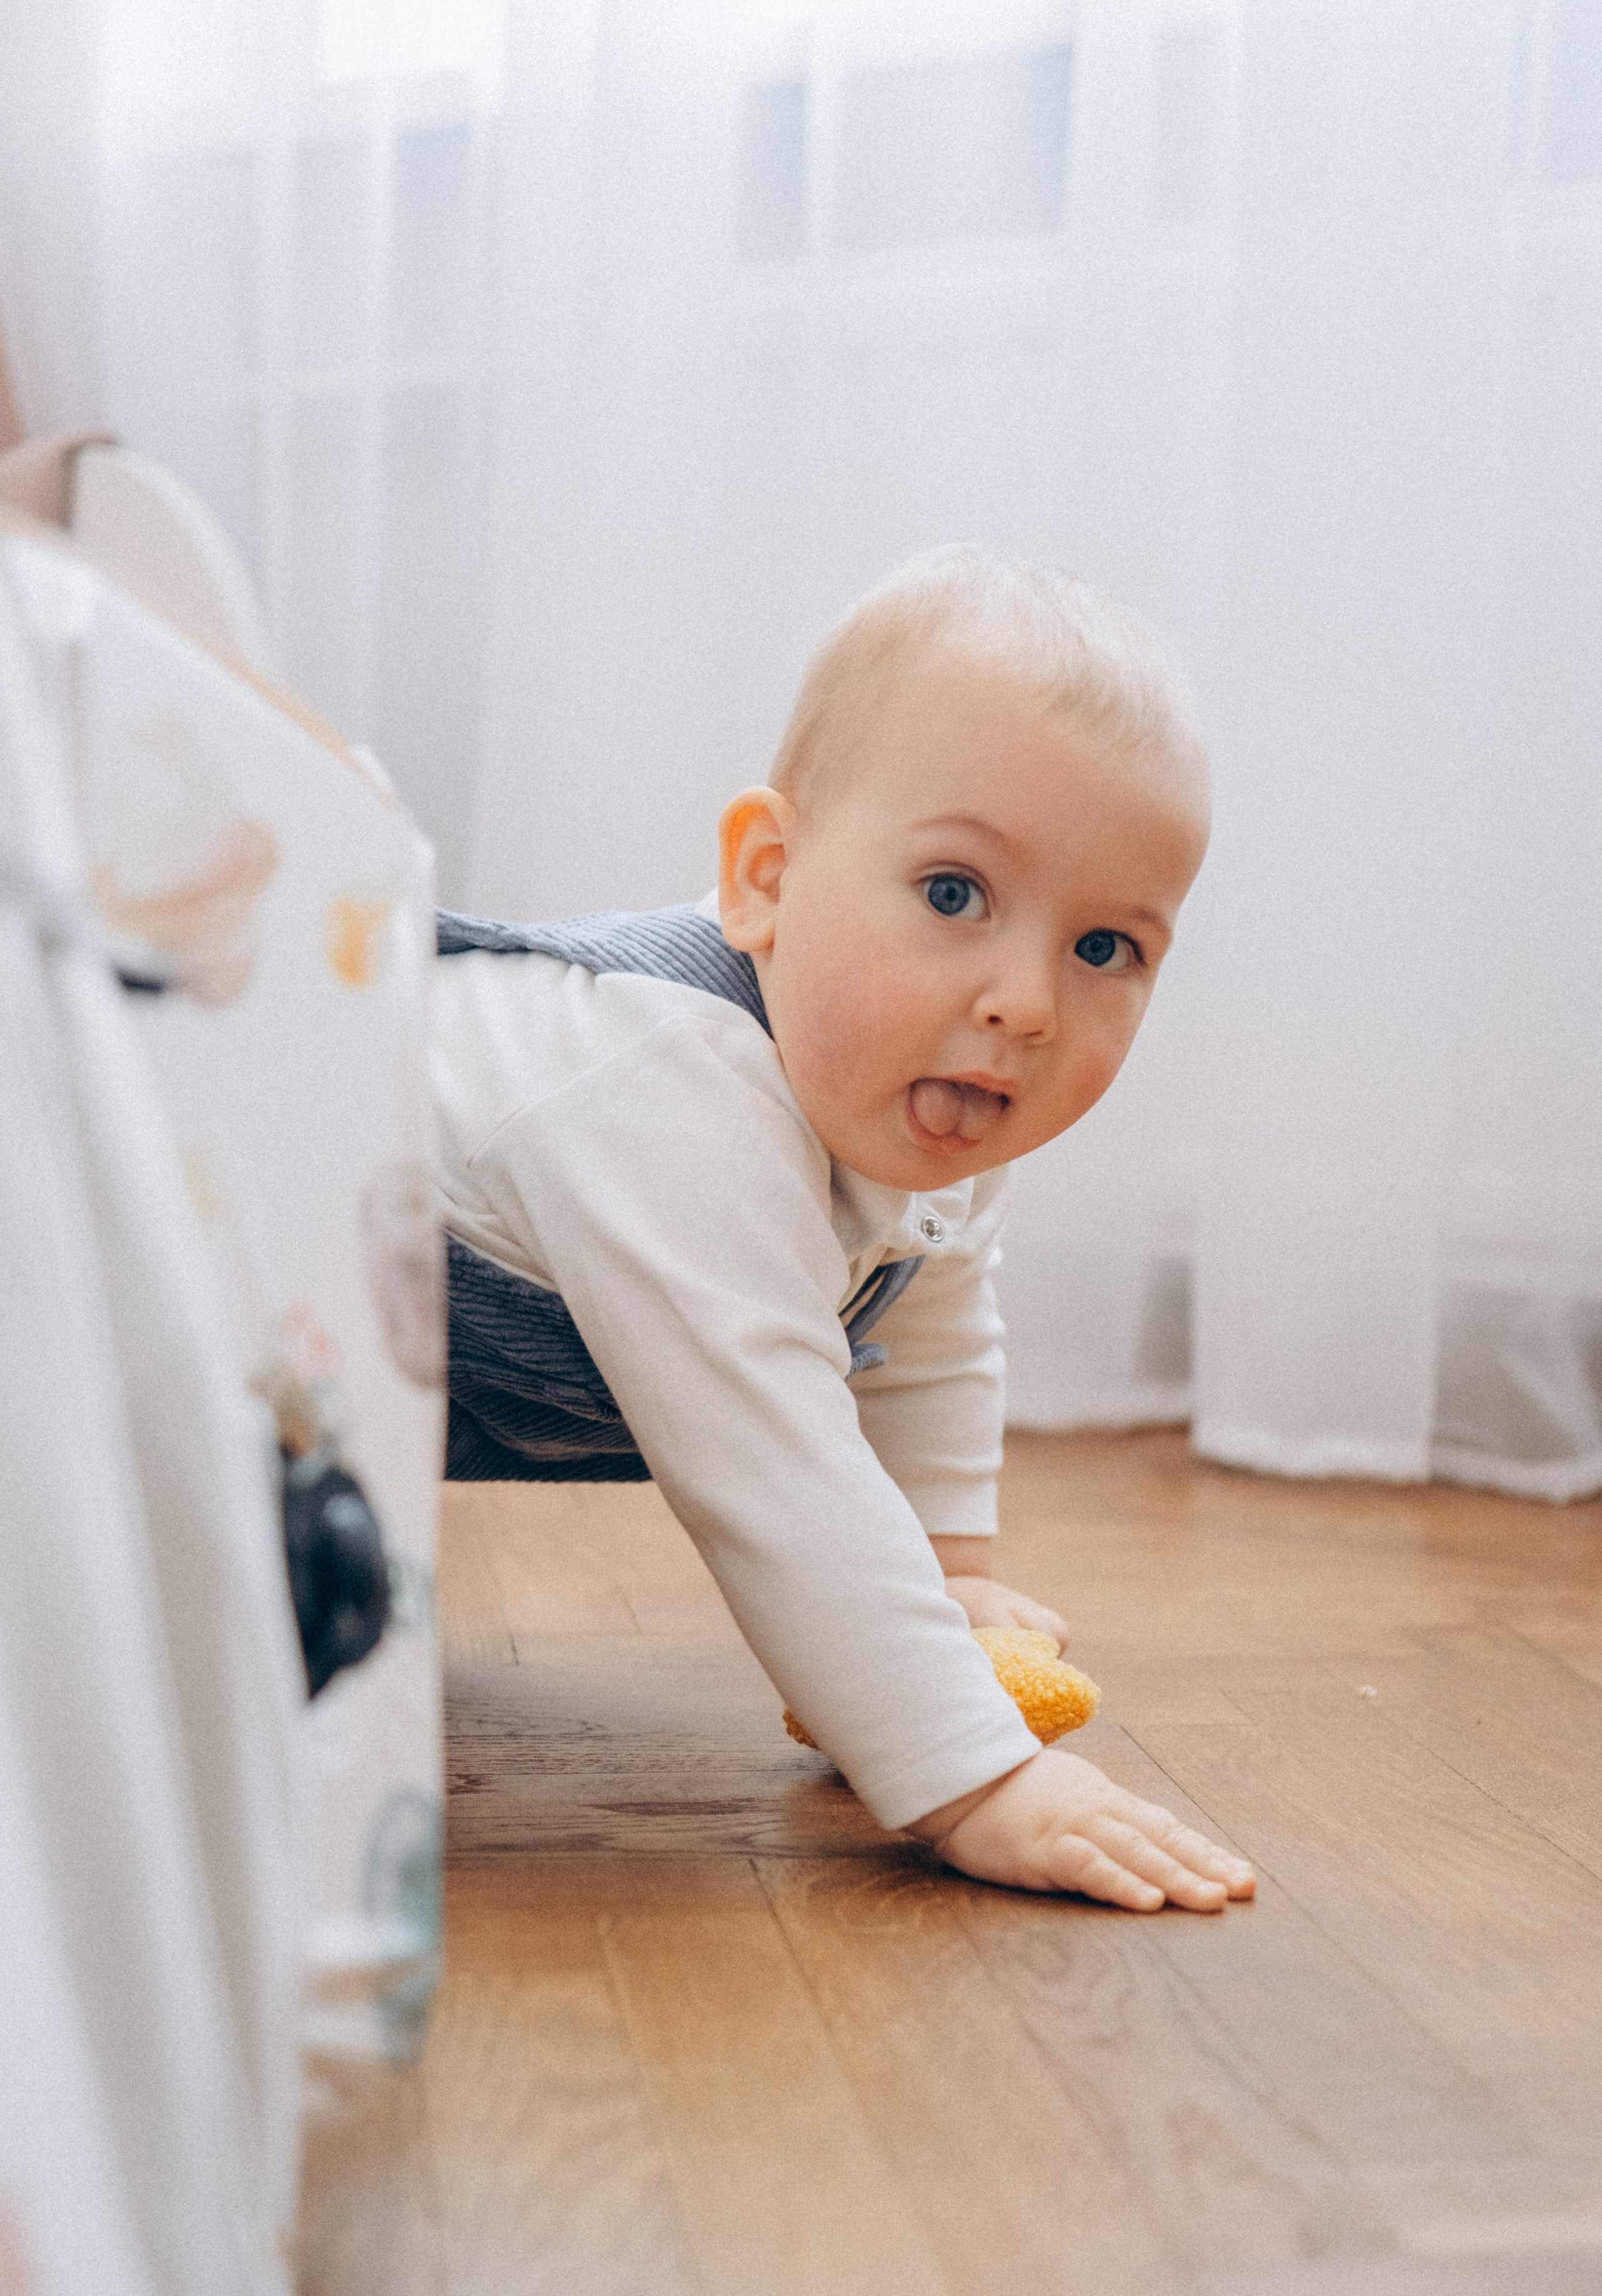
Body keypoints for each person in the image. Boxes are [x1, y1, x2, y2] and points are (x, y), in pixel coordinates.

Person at [431, 545, 1255, 1911]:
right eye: (952, 895)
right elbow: (774, 1474)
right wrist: (970, 1772)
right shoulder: (670, 1095)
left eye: (1103, 948)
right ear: (763, 876)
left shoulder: (933, 1101)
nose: (1025, 1004)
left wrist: (950, 1573)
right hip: (216, 1214)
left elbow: (929, 1320)